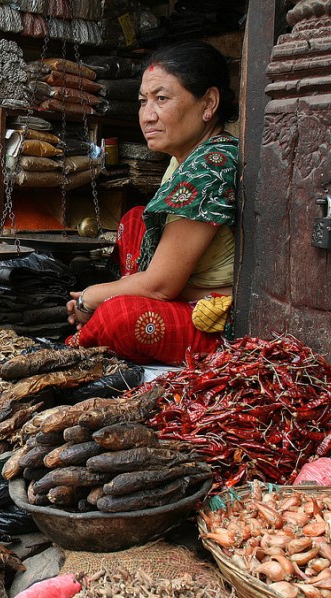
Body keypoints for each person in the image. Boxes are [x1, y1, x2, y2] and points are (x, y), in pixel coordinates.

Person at [66, 40, 239, 365]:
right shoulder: (186, 158)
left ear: (209, 103)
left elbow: (161, 285)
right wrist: (115, 288)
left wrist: (92, 299)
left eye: (162, 99)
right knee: (134, 220)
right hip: (182, 288)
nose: (147, 115)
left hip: (214, 316)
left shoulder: (209, 167)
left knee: (118, 317)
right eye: (144, 101)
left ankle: (78, 343)